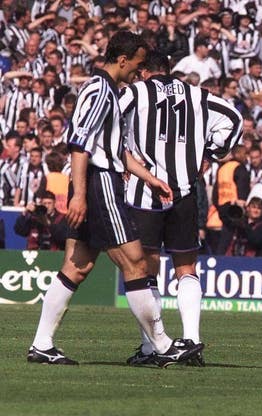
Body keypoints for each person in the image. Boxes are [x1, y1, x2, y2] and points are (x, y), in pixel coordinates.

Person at [27, 32, 203, 367]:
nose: (139, 71)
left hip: (99, 180)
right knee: (136, 261)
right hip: (98, 183)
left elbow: (117, 150)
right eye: (137, 64)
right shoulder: (99, 90)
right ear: (122, 60)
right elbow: (79, 145)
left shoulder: (110, 91)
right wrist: (79, 195)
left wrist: (150, 179)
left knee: (77, 266)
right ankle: (162, 345)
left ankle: (41, 344)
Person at [119, 51, 243, 366]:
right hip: (185, 190)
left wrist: (119, 156)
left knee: (142, 270)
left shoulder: (136, 92)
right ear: (169, 69)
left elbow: (110, 120)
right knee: (186, 268)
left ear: (145, 71)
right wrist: (211, 152)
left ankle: (152, 347)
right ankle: (192, 340)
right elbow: (234, 119)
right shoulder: (198, 95)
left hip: (146, 191)